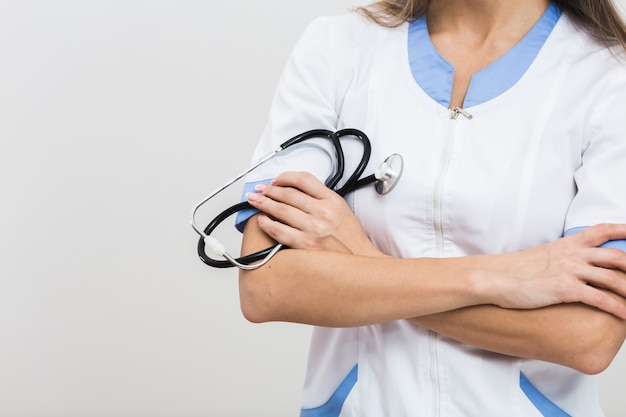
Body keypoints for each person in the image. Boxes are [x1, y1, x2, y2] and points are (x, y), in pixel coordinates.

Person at [235, 0, 626, 415]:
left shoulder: (609, 78)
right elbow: (269, 286)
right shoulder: (337, 47)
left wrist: (360, 260)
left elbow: (586, 338)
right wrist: (501, 278)